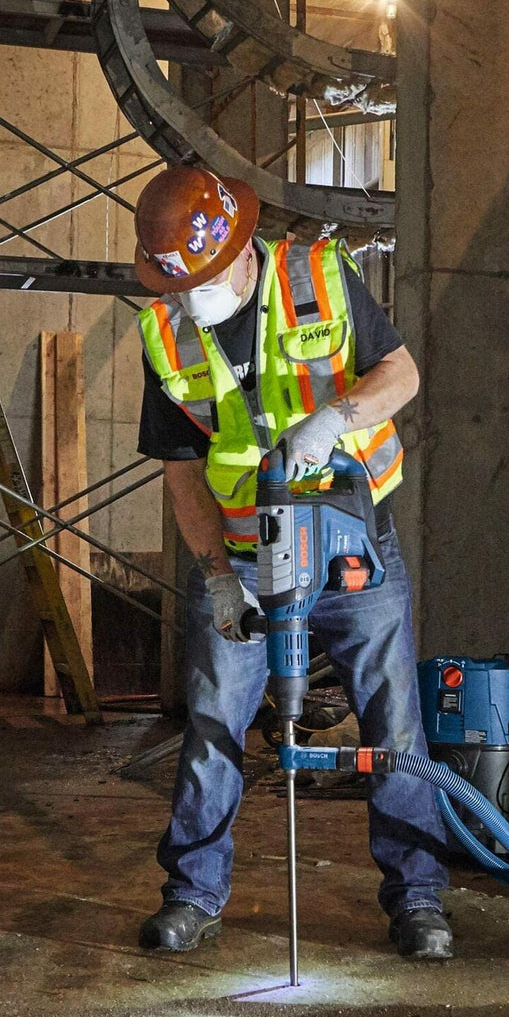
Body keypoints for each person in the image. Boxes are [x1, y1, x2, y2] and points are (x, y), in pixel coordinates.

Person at [131, 164, 452, 959]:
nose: (192, 297)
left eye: (204, 278)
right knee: (212, 724)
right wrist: (216, 578)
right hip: (245, 562)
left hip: (352, 547)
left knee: (394, 722)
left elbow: (402, 374)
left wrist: (334, 419)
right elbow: (181, 469)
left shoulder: (321, 276)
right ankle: (193, 895)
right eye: (181, 284)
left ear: (243, 250)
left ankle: (418, 900)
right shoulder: (166, 333)